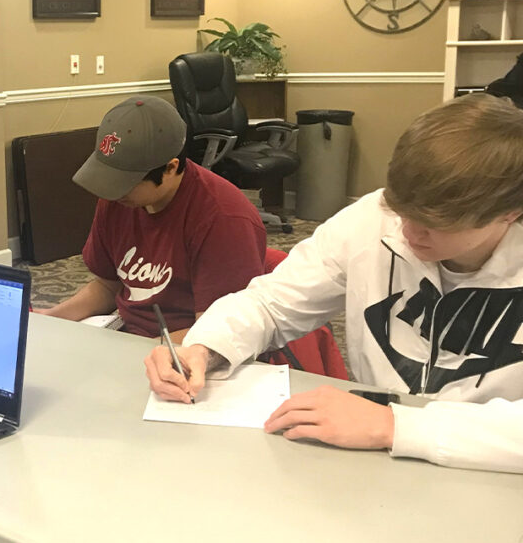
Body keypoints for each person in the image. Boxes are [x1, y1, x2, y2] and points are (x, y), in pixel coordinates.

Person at [144, 93, 523, 474]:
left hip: (489, 468)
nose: (407, 232)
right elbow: (271, 304)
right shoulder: (369, 218)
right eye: (401, 211)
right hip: (377, 462)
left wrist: (395, 426)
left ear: (510, 213)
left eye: (435, 225)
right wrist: (204, 347)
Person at [37, 95, 266, 342]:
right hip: (131, 338)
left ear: (170, 168)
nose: (112, 193)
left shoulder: (224, 219)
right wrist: (50, 318)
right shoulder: (118, 199)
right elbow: (107, 287)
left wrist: (134, 354)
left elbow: (216, 332)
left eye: (124, 183)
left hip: (194, 350)